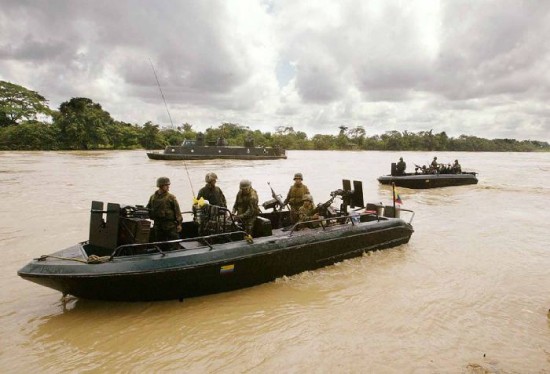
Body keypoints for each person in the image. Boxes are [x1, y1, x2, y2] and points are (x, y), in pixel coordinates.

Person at [146, 177, 183, 243]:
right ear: (160, 186)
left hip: (169, 225)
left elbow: (177, 211)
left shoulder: (171, 197)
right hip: (157, 224)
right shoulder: (152, 197)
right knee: (160, 242)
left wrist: (179, 224)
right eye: (166, 185)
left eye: (168, 185)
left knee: (174, 242)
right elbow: (148, 209)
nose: (168, 187)